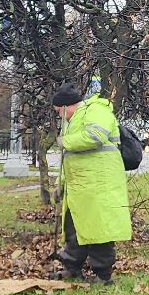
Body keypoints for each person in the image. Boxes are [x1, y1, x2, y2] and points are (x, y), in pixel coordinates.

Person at [48, 82, 132, 283]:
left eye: (59, 111)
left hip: (99, 185)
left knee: (99, 230)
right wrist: (61, 184)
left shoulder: (96, 110)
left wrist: (65, 141)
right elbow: (69, 160)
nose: (59, 116)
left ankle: (103, 275)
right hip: (81, 188)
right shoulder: (75, 120)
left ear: (67, 106)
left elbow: (95, 136)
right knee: (74, 228)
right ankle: (72, 268)